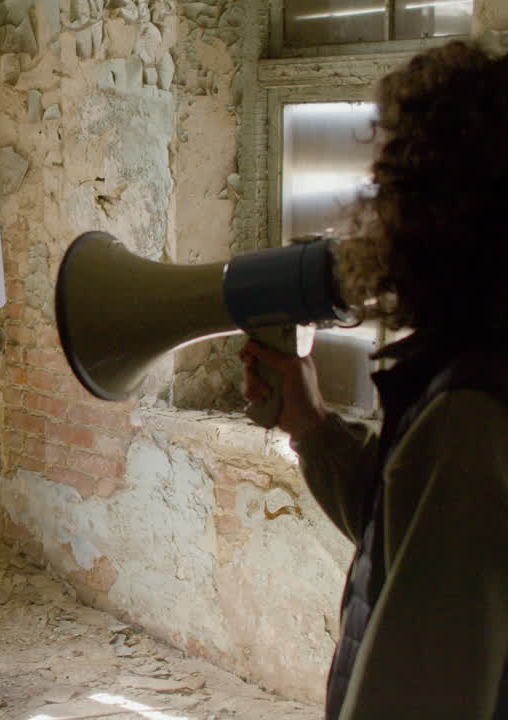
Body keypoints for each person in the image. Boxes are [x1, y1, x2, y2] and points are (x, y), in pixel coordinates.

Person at [240, 41, 507, 720]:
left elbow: (417, 692)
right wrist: (311, 424)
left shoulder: (469, 417)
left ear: (438, 214)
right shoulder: (473, 376)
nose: (374, 214)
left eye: (389, 190)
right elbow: (399, 528)